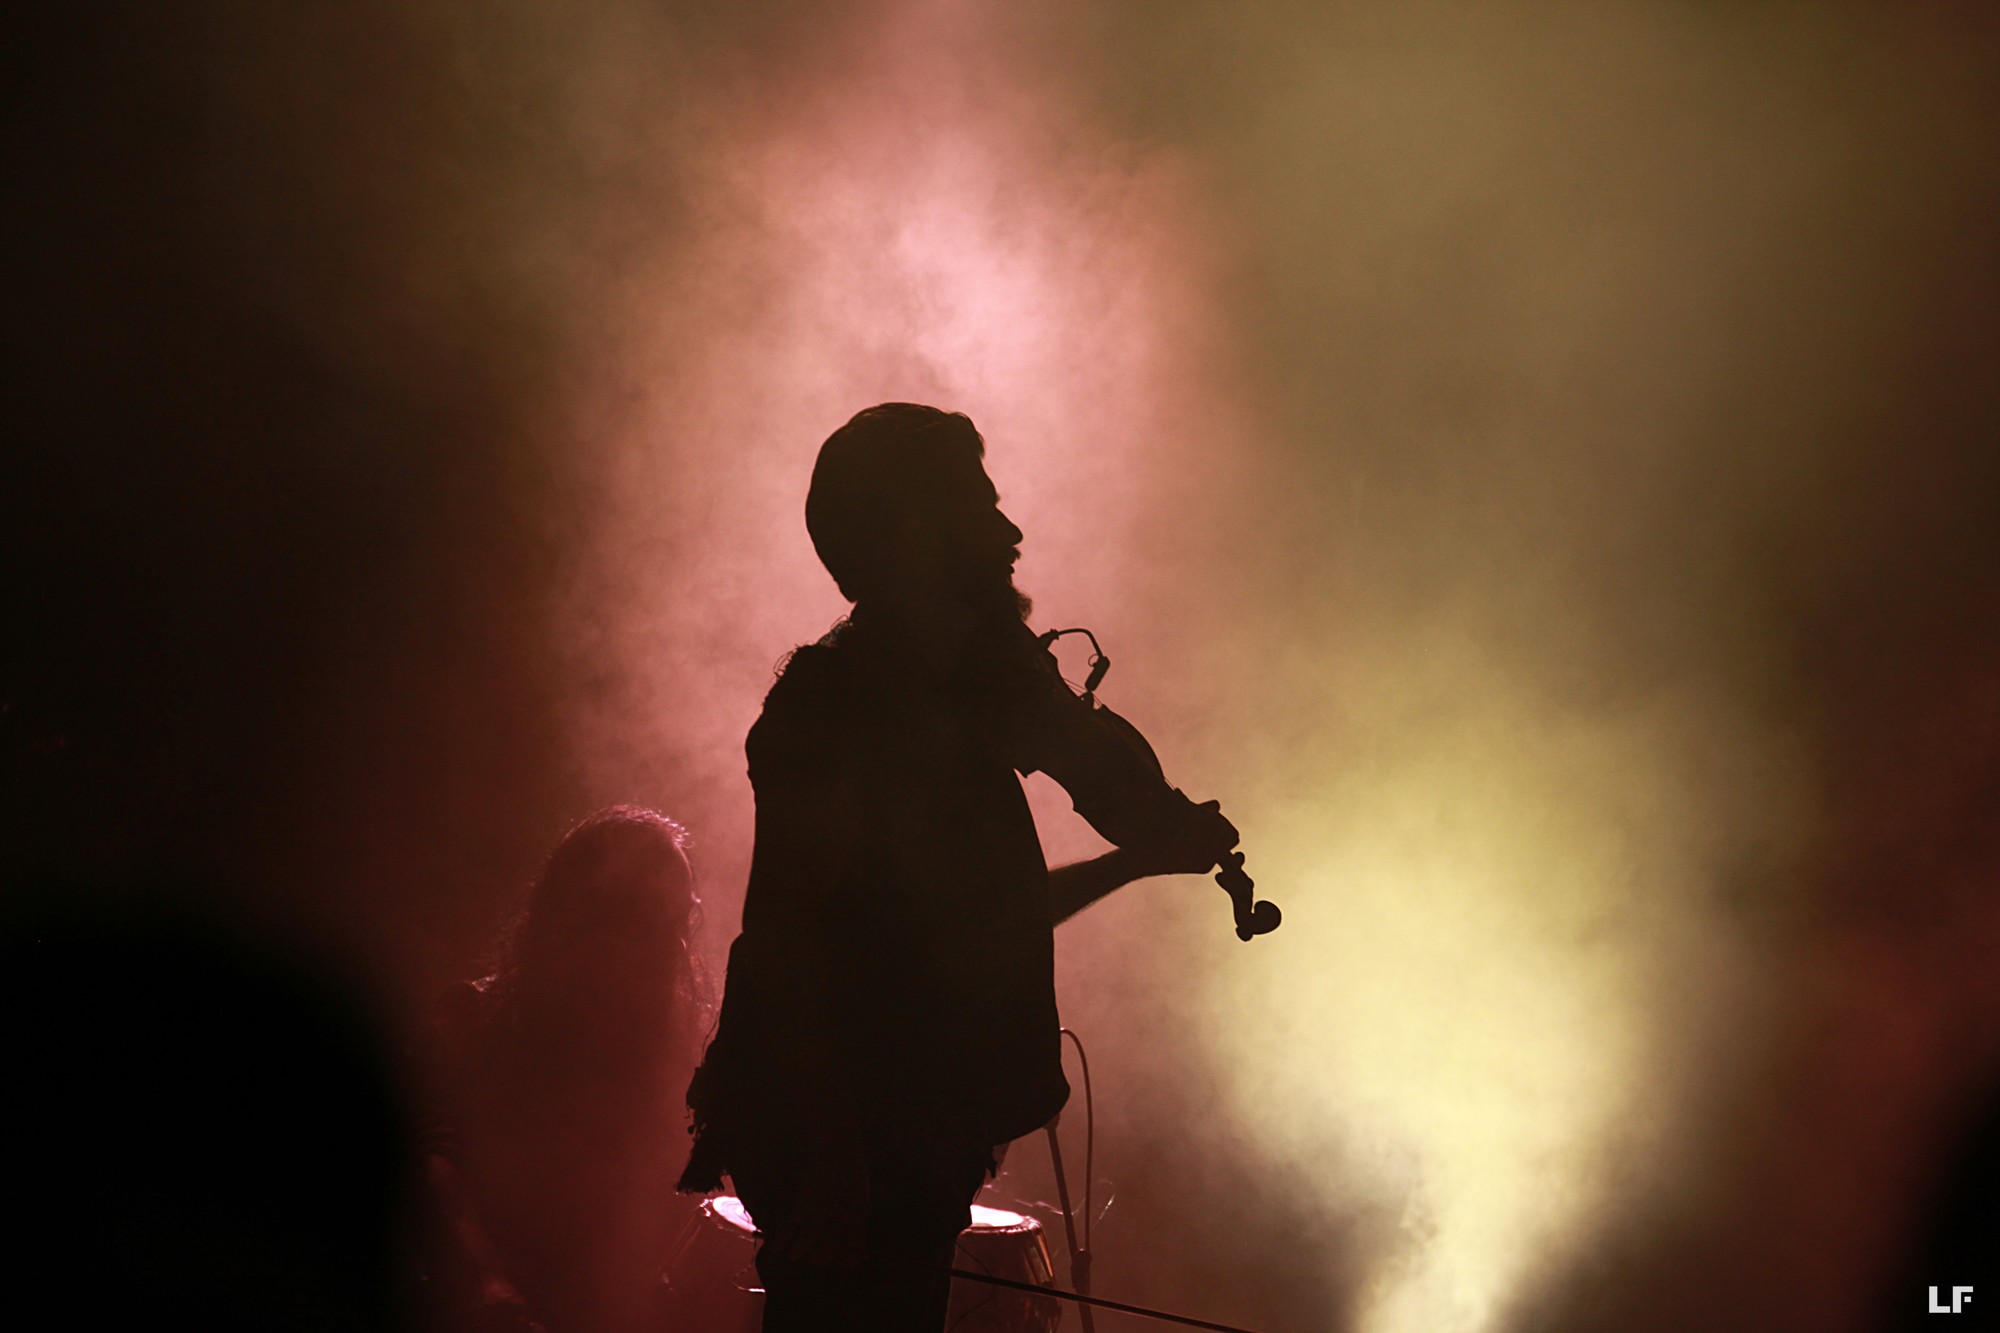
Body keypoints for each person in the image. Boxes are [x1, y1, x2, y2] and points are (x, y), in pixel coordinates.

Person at [679, 403, 1240, 1331]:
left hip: (900, 1123)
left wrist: (1135, 856)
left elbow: (980, 920)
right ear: (915, 533)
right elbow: (786, 943)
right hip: (847, 1126)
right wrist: (831, 1152)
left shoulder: (961, 698)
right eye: (983, 507)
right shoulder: (832, 709)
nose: (1011, 534)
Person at [422, 805, 704, 1333]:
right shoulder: (471, 1020)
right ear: (585, 917)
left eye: (680, 918)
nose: (676, 943)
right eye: (648, 917)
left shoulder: (674, 1053)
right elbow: (435, 1165)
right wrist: (487, 1284)